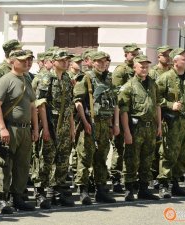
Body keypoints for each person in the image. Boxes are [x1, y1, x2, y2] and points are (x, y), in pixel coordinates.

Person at [0, 50, 38, 214]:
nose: (28, 63)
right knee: (5, 164)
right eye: (24, 60)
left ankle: (17, 197)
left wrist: (35, 128)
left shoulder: (27, 79)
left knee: (23, 164)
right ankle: (2, 199)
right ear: (13, 61)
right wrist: (2, 128)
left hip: (25, 129)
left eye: (30, 60)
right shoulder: (5, 80)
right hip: (10, 128)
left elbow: (33, 106)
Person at [73, 51, 119, 205]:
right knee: (85, 158)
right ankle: (83, 190)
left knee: (101, 158)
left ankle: (101, 190)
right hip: (90, 123)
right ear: (91, 62)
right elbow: (78, 102)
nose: (101, 64)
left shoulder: (108, 79)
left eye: (104, 61)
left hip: (105, 124)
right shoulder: (85, 78)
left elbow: (113, 104)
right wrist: (85, 122)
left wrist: (113, 124)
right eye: (98, 61)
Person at [33, 49, 75, 208]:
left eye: (67, 60)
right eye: (62, 60)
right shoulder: (46, 78)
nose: (66, 62)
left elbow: (70, 105)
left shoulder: (66, 78)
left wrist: (72, 127)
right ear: (54, 61)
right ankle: (41, 193)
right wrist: (46, 128)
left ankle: (57, 191)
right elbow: (41, 104)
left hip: (64, 124)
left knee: (63, 159)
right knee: (46, 159)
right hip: (50, 123)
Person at [156, 48, 185, 198]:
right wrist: (169, 104)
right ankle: (164, 185)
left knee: (181, 153)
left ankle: (175, 184)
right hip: (170, 122)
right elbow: (155, 98)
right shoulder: (165, 78)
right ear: (175, 62)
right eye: (184, 59)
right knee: (168, 153)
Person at [118, 55, 161, 201]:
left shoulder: (152, 84)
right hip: (136, 127)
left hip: (150, 127)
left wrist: (159, 125)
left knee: (148, 159)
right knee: (132, 159)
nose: (144, 69)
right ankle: (129, 189)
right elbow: (123, 111)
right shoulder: (129, 86)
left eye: (146, 66)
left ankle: (144, 189)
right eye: (141, 66)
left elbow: (157, 105)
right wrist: (127, 132)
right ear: (135, 68)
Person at [110, 43, 140, 192]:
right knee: (119, 148)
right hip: (122, 114)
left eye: (136, 54)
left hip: (135, 115)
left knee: (132, 149)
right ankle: (115, 178)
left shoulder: (138, 70)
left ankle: (130, 178)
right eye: (132, 54)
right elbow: (117, 96)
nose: (135, 56)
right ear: (126, 55)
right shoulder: (120, 71)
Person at [149, 45, 173, 187]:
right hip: (156, 114)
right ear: (158, 57)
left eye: (169, 54)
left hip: (169, 116)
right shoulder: (153, 73)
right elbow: (153, 96)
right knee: (154, 146)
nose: (167, 57)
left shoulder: (172, 72)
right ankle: (153, 175)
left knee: (166, 147)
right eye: (164, 55)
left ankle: (163, 175)